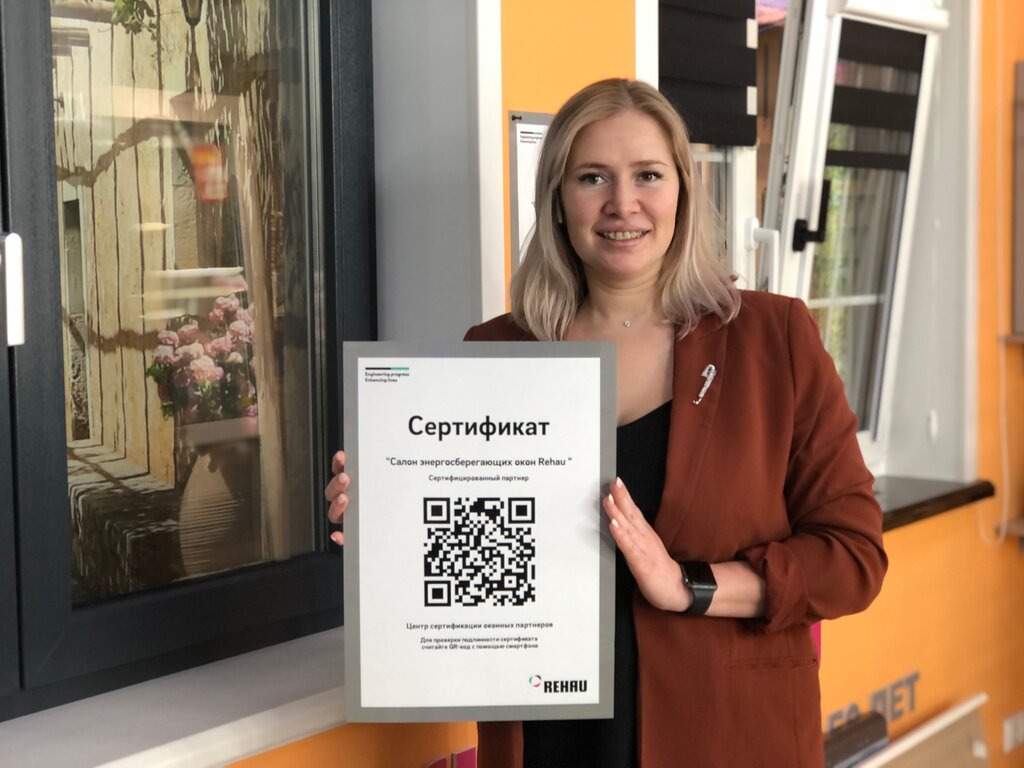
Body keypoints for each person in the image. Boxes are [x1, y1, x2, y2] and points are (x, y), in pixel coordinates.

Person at [325, 78, 887, 768]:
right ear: (559, 202)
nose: (623, 203)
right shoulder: (496, 352)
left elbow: (853, 558)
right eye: (593, 177)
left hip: (727, 736)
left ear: (683, 191)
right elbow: (475, 560)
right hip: (551, 739)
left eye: (648, 175)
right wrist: (393, 524)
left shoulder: (775, 339)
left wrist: (689, 585)